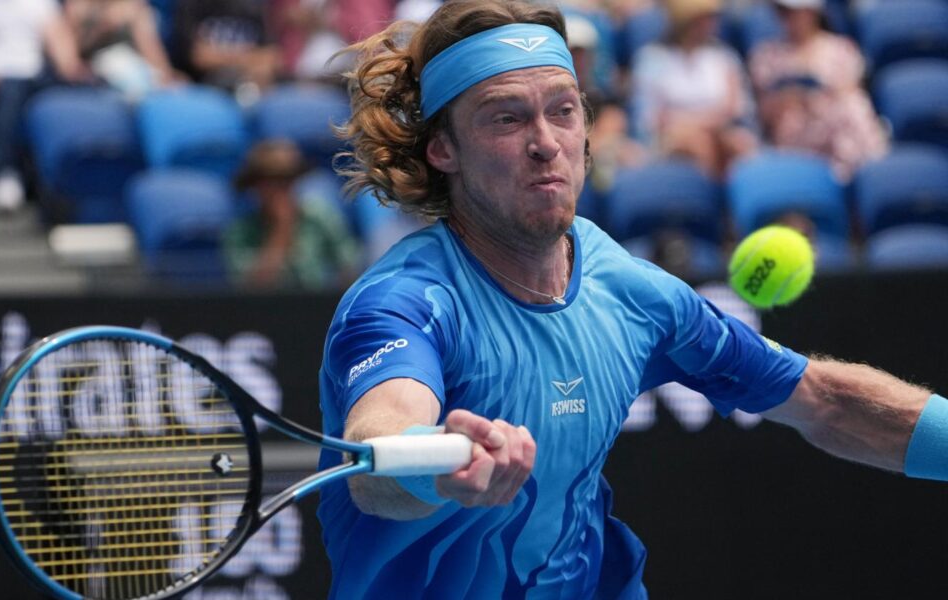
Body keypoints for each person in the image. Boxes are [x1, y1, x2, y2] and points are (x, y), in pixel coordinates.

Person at [316, 1, 946, 598]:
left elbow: (826, 402)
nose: (546, 142)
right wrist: (434, 463)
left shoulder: (634, 292)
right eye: (506, 118)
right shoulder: (401, 302)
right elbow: (376, 448)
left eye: (563, 110)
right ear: (443, 148)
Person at [0, 0, 90, 211]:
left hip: (33, 79)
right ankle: (2, 173)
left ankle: (59, 181)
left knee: (58, 99)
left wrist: (72, 69)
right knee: (8, 95)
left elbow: (58, 42)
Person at [748, 0, 887, 181]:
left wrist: (817, 97)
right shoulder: (766, 55)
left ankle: (871, 174)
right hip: (794, 137)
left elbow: (851, 91)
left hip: (839, 132)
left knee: (853, 106)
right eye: (781, 11)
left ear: (812, 12)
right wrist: (792, 96)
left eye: (793, 12)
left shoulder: (841, 49)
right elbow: (762, 110)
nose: (786, 18)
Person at [630, 0, 756, 178]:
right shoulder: (652, 59)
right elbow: (651, 117)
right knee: (699, 144)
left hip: (720, 130)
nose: (711, 23)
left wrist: (704, 123)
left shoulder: (725, 57)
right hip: (670, 136)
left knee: (738, 144)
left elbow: (735, 108)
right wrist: (695, 125)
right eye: (704, 18)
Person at [223, 141, 360, 290]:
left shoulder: (320, 216)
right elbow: (252, 287)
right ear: (255, 185)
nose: (279, 187)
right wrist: (282, 229)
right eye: (270, 180)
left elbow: (349, 267)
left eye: (286, 179)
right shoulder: (240, 231)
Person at [64, 0, 182, 100]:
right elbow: (71, 57)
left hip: (134, 68)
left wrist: (167, 75)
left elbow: (150, 49)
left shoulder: (134, 6)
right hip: (94, 68)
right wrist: (103, 27)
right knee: (116, 63)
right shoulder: (78, 6)